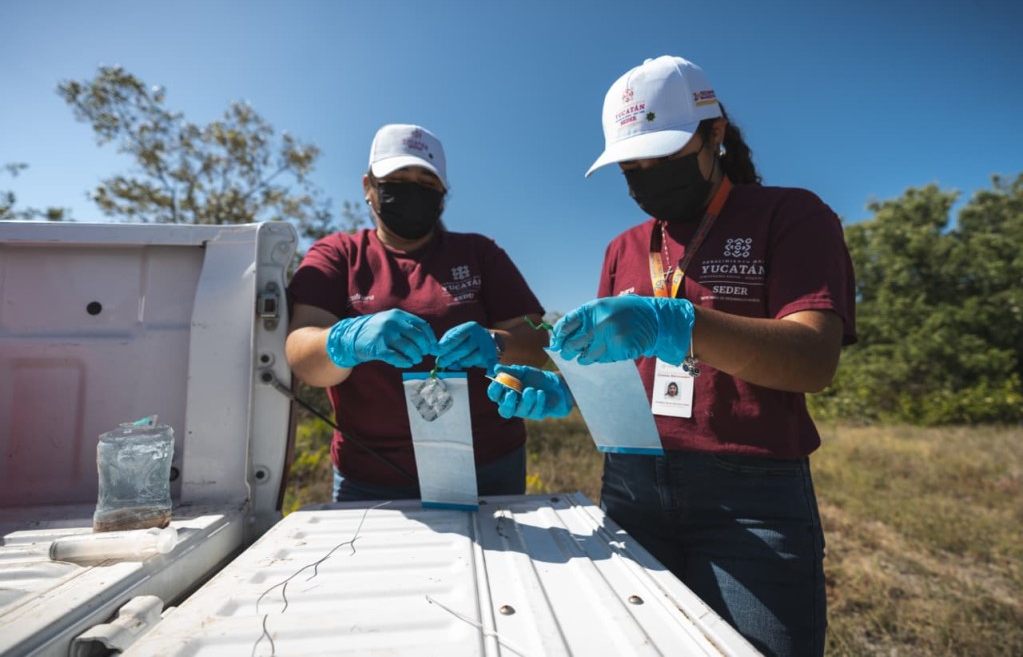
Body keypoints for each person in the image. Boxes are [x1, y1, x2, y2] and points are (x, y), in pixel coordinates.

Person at [488, 56, 856, 656]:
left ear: (714, 134)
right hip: (631, 487)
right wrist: (565, 388)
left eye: (663, 158)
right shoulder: (624, 248)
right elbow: (617, 373)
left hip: (751, 497)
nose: (647, 177)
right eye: (632, 166)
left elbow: (813, 359)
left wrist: (680, 323)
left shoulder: (790, 216)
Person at [286, 123, 549, 502]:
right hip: (370, 475)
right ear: (368, 187)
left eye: (425, 183)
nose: (411, 190)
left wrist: (496, 343)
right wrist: (347, 340)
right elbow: (301, 354)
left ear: (443, 193)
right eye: (396, 178)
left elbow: (538, 340)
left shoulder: (479, 253)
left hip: (488, 466)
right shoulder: (339, 255)